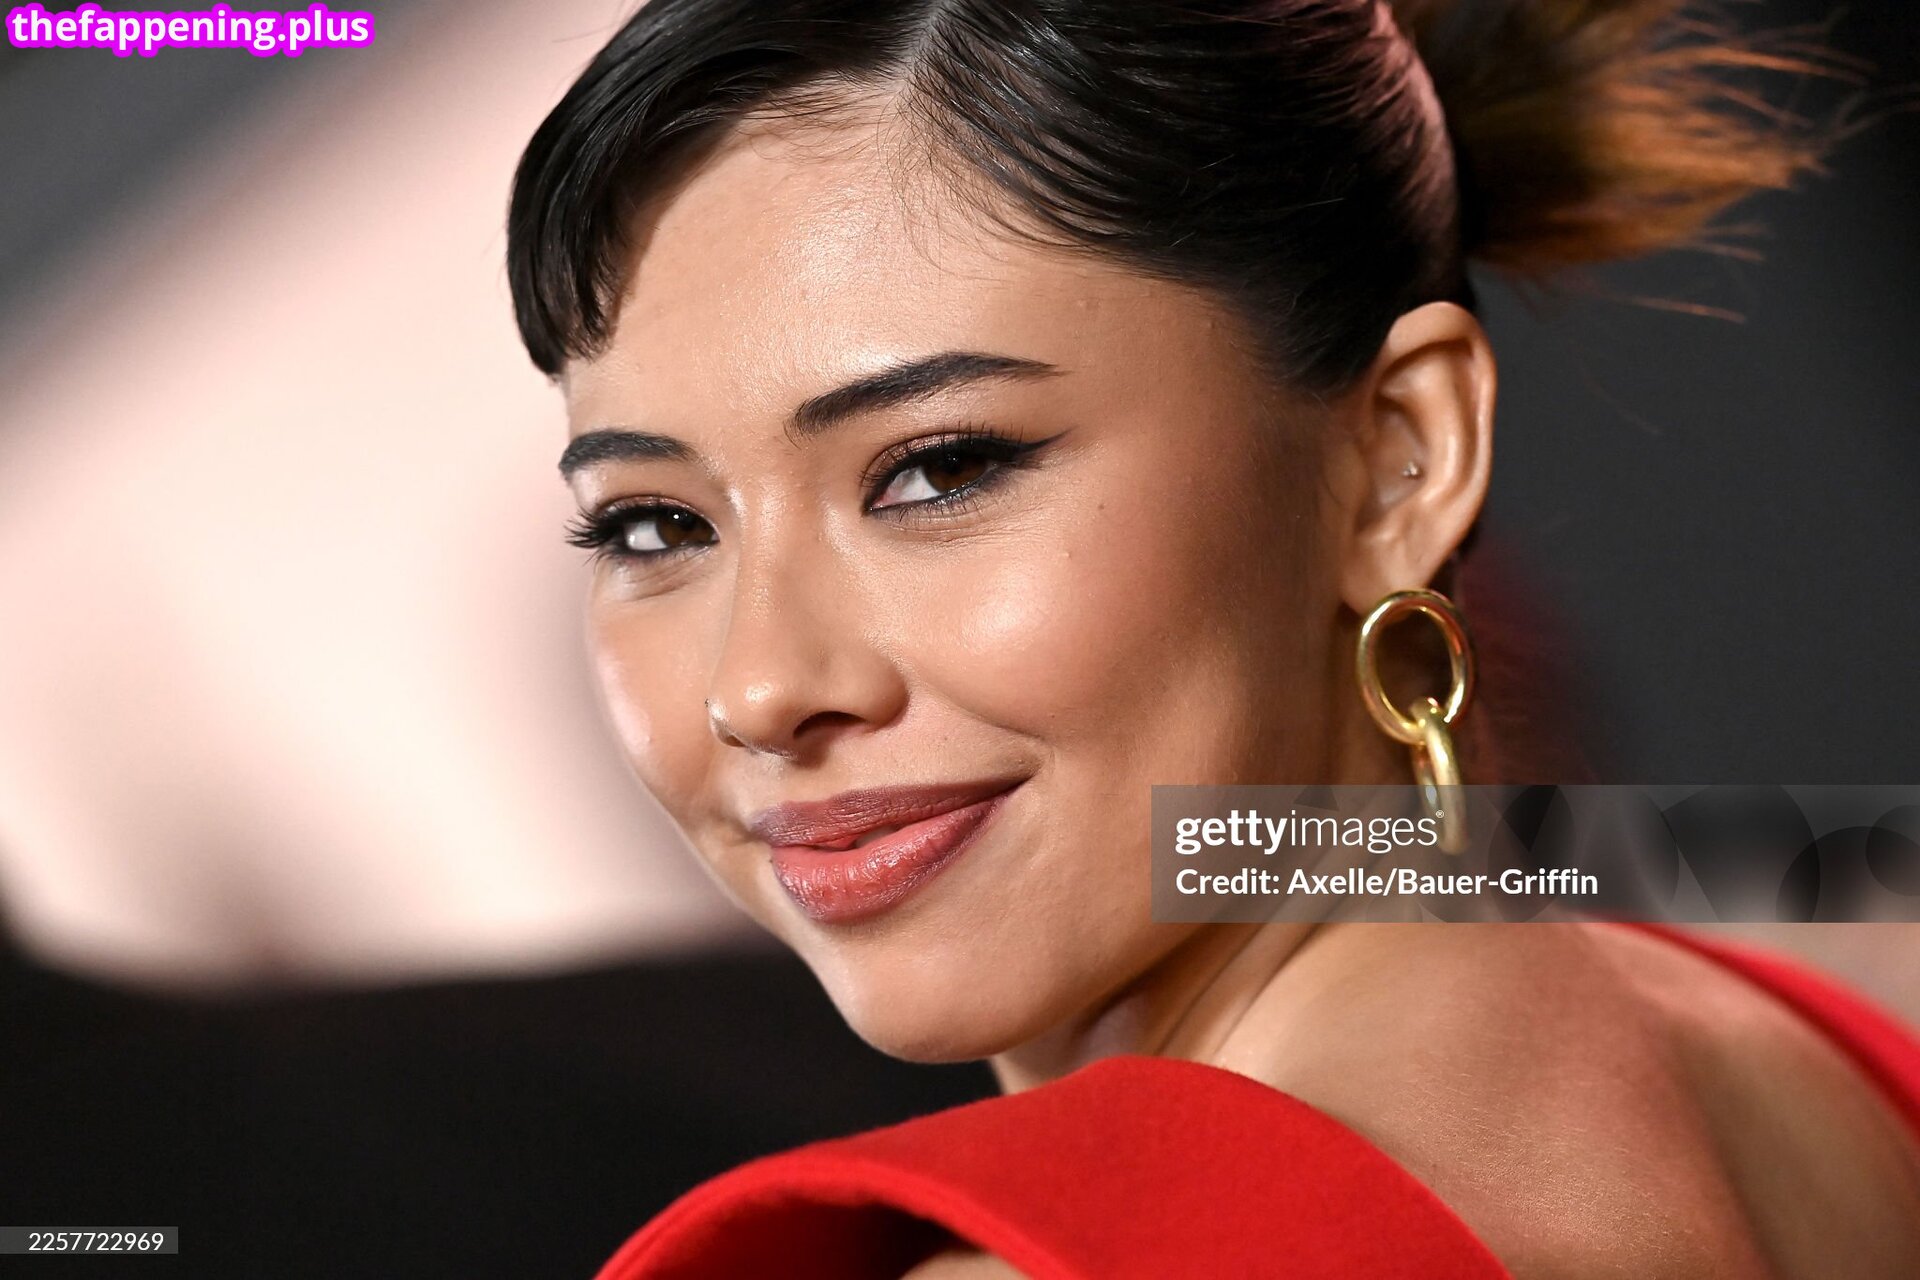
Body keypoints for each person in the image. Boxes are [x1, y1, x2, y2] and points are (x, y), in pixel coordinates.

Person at [504, 0, 1920, 1274]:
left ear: (1399, 460)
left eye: (940, 470)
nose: (760, 686)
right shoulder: (1795, 1035)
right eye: (653, 527)